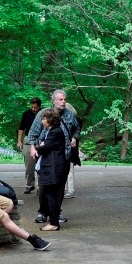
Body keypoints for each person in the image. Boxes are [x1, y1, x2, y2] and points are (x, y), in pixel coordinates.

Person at [25, 89, 80, 223]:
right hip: (46, 157)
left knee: (60, 186)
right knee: (45, 186)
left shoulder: (69, 114)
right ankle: (43, 212)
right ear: (53, 100)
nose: (63, 102)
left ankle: (56, 213)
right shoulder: (43, 114)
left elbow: (77, 128)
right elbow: (32, 133)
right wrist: (33, 148)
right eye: (60, 99)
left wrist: (74, 137)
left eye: (64, 99)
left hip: (64, 156)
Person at [34, 112, 71, 230]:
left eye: (44, 119)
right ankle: (53, 221)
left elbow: (45, 147)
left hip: (53, 167)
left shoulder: (55, 132)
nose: (42, 121)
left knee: (50, 194)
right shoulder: (54, 131)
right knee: (49, 193)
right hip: (52, 166)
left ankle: (54, 223)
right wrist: (43, 145)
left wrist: (39, 147)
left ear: (50, 120)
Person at [17, 97, 42, 194]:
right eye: (32, 107)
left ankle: (41, 186)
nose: (33, 109)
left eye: (35, 107)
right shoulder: (26, 114)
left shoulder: (44, 114)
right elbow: (21, 128)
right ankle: (29, 185)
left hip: (40, 139)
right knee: (29, 164)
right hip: (28, 138)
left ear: (39, 106)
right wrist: (19, 141)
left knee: (41, 163)